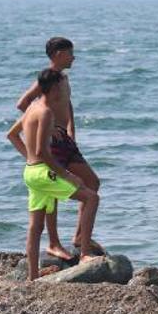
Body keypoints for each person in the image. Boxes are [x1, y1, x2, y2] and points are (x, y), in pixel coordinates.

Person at [7, 68, 100, 280]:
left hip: (30, 172)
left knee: (36, 227)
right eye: (63, 85)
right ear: (55, 88)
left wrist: (29, 158)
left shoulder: (32, 108)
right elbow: (43, 152)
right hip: (43, 172)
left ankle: (32, 278)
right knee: (91, 197)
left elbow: (11, 135)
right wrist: (68, 175)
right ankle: (84, 253)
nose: (66, 88)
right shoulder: (47, 112)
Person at [16, 36, 103, 258]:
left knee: (92, 182)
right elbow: (23, 104)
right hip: (53, 141)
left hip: (66, 139)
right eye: (70, 53)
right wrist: (47, 123)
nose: (73, 57)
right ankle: (53, 242)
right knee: (50, 194)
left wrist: (71, 127)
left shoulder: (63, 78)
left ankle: (79, 236)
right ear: (58, 54)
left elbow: (67, 102)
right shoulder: (46, 80)